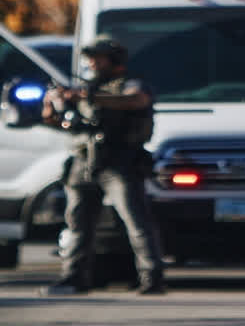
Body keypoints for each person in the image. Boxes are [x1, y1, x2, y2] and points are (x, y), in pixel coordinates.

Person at [40, 34, 166, 296]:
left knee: (136, 221)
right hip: (83, 161)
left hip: (118, 162)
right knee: (77, 223)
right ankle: (73, 278)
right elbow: (64, 122)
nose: (92, 64)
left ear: (115, 60)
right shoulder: (85, 88)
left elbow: (136, 100)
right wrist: (52, 106)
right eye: (90, 59)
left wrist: (88, 96)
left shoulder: (130, 85)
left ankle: (151, 277)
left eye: (98, 58)